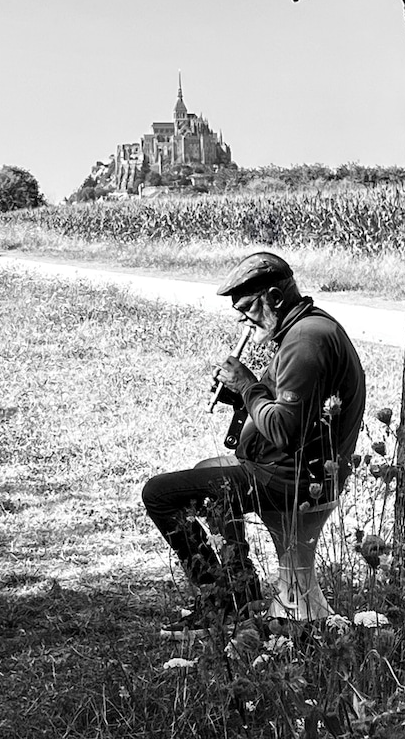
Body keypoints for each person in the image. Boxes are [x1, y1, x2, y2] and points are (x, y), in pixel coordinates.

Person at [142, 251, 366, 639]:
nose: (243, 319)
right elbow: (285, 408)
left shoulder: (306, 341)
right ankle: (235, 590)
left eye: (247, 307)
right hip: (290, 472)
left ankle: (220, 598)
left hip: (293, 481)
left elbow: (285, 432)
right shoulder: (306, 329)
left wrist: (246, 384)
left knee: (160, 494)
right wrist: (240, 396)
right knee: (206, 471)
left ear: (275, 298)